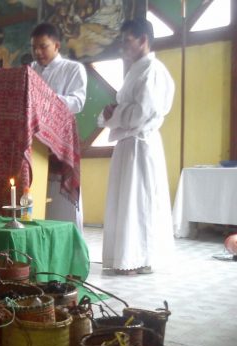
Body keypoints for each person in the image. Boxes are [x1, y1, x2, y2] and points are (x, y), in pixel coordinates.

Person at [99, 18, 175, 275]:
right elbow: (127, 109)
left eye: (127, 41)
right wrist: (111, 111)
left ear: (143, 40)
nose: (123, 47)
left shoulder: (152, 70)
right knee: (127, 201)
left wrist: (116, 113)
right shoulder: (136, 70)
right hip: (127, 143)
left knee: (139, 201)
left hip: (141, 143)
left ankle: (139, 259)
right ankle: (127, 258)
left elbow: (142, 112)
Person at [30, 23, 87, 230]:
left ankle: (68, 244)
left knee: (61, 206)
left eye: (43, 46)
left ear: (57, 45)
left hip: (60, 144)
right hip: (35, 143)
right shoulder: (31, 70)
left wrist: (48, 102)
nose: (37, 52)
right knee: (36, 198)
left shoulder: (73, 69)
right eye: (34, 47)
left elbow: (78, 102)